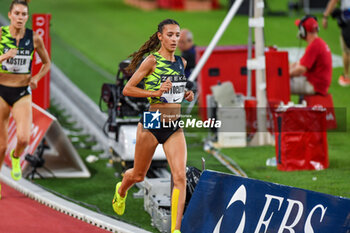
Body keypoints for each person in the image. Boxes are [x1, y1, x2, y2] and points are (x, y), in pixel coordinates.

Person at [111, 19, 194, 233]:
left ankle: (176, 229)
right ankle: (121, 189)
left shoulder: (181, 63)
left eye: (177, 35)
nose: (175, 39)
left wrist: (185, 94)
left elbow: (175, 92)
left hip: (174, 124)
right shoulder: (151, 61)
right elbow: (128, 90)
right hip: (152, 122)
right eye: (170, 35)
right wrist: (155, 93)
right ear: (160, 37)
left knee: (179, 177)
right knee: (138, 175)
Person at [0, 0, 51, 198]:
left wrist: (37, 78)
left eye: (24, 14)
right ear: (10, 15)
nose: (21, 18)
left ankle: (15, 157)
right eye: (17, 14)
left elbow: (46, 63)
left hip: (22, 92)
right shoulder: (2, 35)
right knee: (1, 145)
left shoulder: (34, 38)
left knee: (23, 138)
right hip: (1, 92)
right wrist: (4, 57)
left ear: (27, 17)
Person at [289, 15, 332, 96]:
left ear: (303, 31)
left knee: (279, 84)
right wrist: (285, 69)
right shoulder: (318, 43)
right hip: (317, 84)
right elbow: (299, 64)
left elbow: (301, 69)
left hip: (315, 85)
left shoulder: (314, 46)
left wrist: (284, 75)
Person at [323, 0, 350, 86]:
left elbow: (333, 1)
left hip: (348, 22)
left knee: (347, 50)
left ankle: (346, 76)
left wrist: (325, 16)